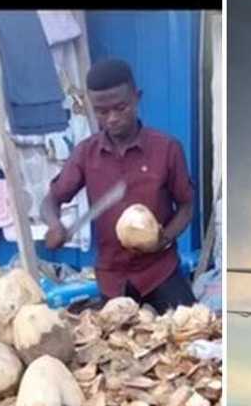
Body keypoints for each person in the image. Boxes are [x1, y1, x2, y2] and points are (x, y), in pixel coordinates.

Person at [41, 58, 196, 313]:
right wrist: (54, 224)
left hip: (159, 271)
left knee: (197, 338)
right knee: (116, 345)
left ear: (137, 98)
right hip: (112, 278)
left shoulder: (167, 149)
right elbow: (51, 200)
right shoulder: (86, 154)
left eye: (120, 108)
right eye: (101, 112)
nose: (112, 119)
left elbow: (186, 207)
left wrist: (164, 239)